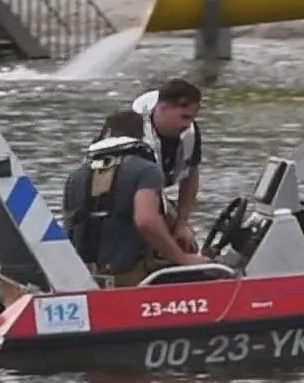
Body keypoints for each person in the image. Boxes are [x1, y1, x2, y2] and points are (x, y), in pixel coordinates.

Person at [63, 110, 210, 286]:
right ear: (141, 135)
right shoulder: (146, 170)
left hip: (89, 278)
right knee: (211, 273)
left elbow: (70, 227)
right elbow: (145, 221)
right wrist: (183, 259)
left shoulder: (76, 176)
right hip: (133, 278)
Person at [128, 78, 204, 251]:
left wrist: (182, 222)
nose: (187, 124)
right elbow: (144, 216)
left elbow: (191, 175)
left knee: (187, 242)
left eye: (191, 118)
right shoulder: (133, 131)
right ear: (162, 108)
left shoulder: (189, 132)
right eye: (183, 117)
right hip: (126, 205)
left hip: (154, 197)